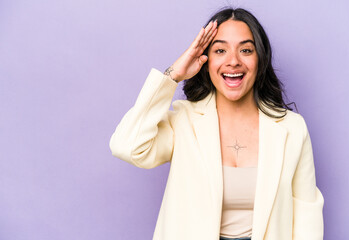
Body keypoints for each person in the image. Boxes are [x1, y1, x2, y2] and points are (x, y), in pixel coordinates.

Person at [109, 7, 324, 240]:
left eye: (246, 50)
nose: (233, 61)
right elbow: (127, 146)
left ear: (260, 59)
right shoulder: (184, 121)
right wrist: (173, 75)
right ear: (206, 61)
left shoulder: (292, 128)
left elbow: (306, 217)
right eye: (220, 50)